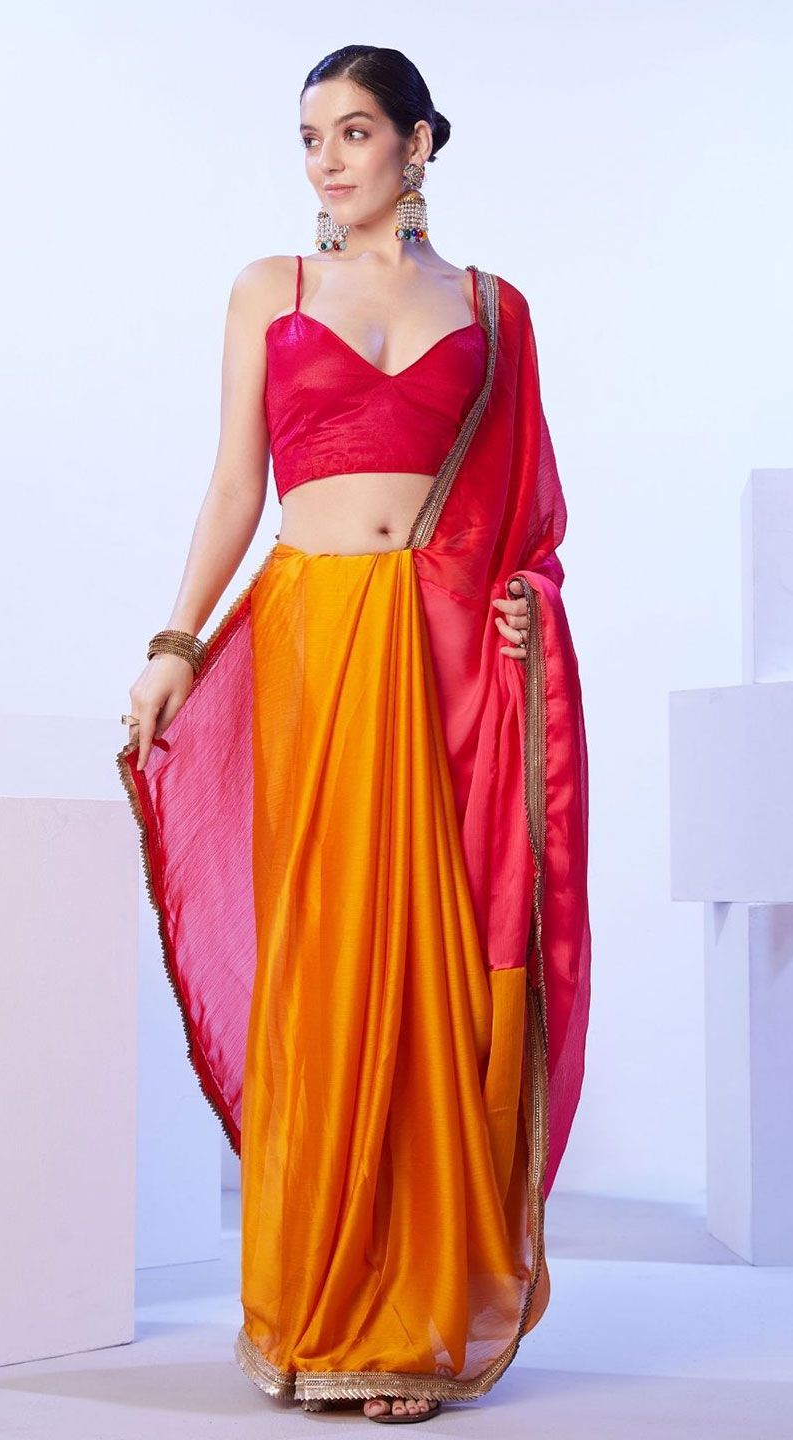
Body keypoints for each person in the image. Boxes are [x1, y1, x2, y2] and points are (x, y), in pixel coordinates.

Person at [118, 44, 591, 1426]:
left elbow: (526, 515)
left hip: (443, 662)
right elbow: (234, 487)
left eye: (356, 131)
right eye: (311, 136)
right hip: (314, 649)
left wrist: (526, 604)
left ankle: (415, 1320)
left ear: (418, 143)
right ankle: (319, 1307)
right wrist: (175, 642)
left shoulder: (494, 310)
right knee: (327, 964)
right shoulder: (271, 290)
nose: (328, 160)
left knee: (430, 968)